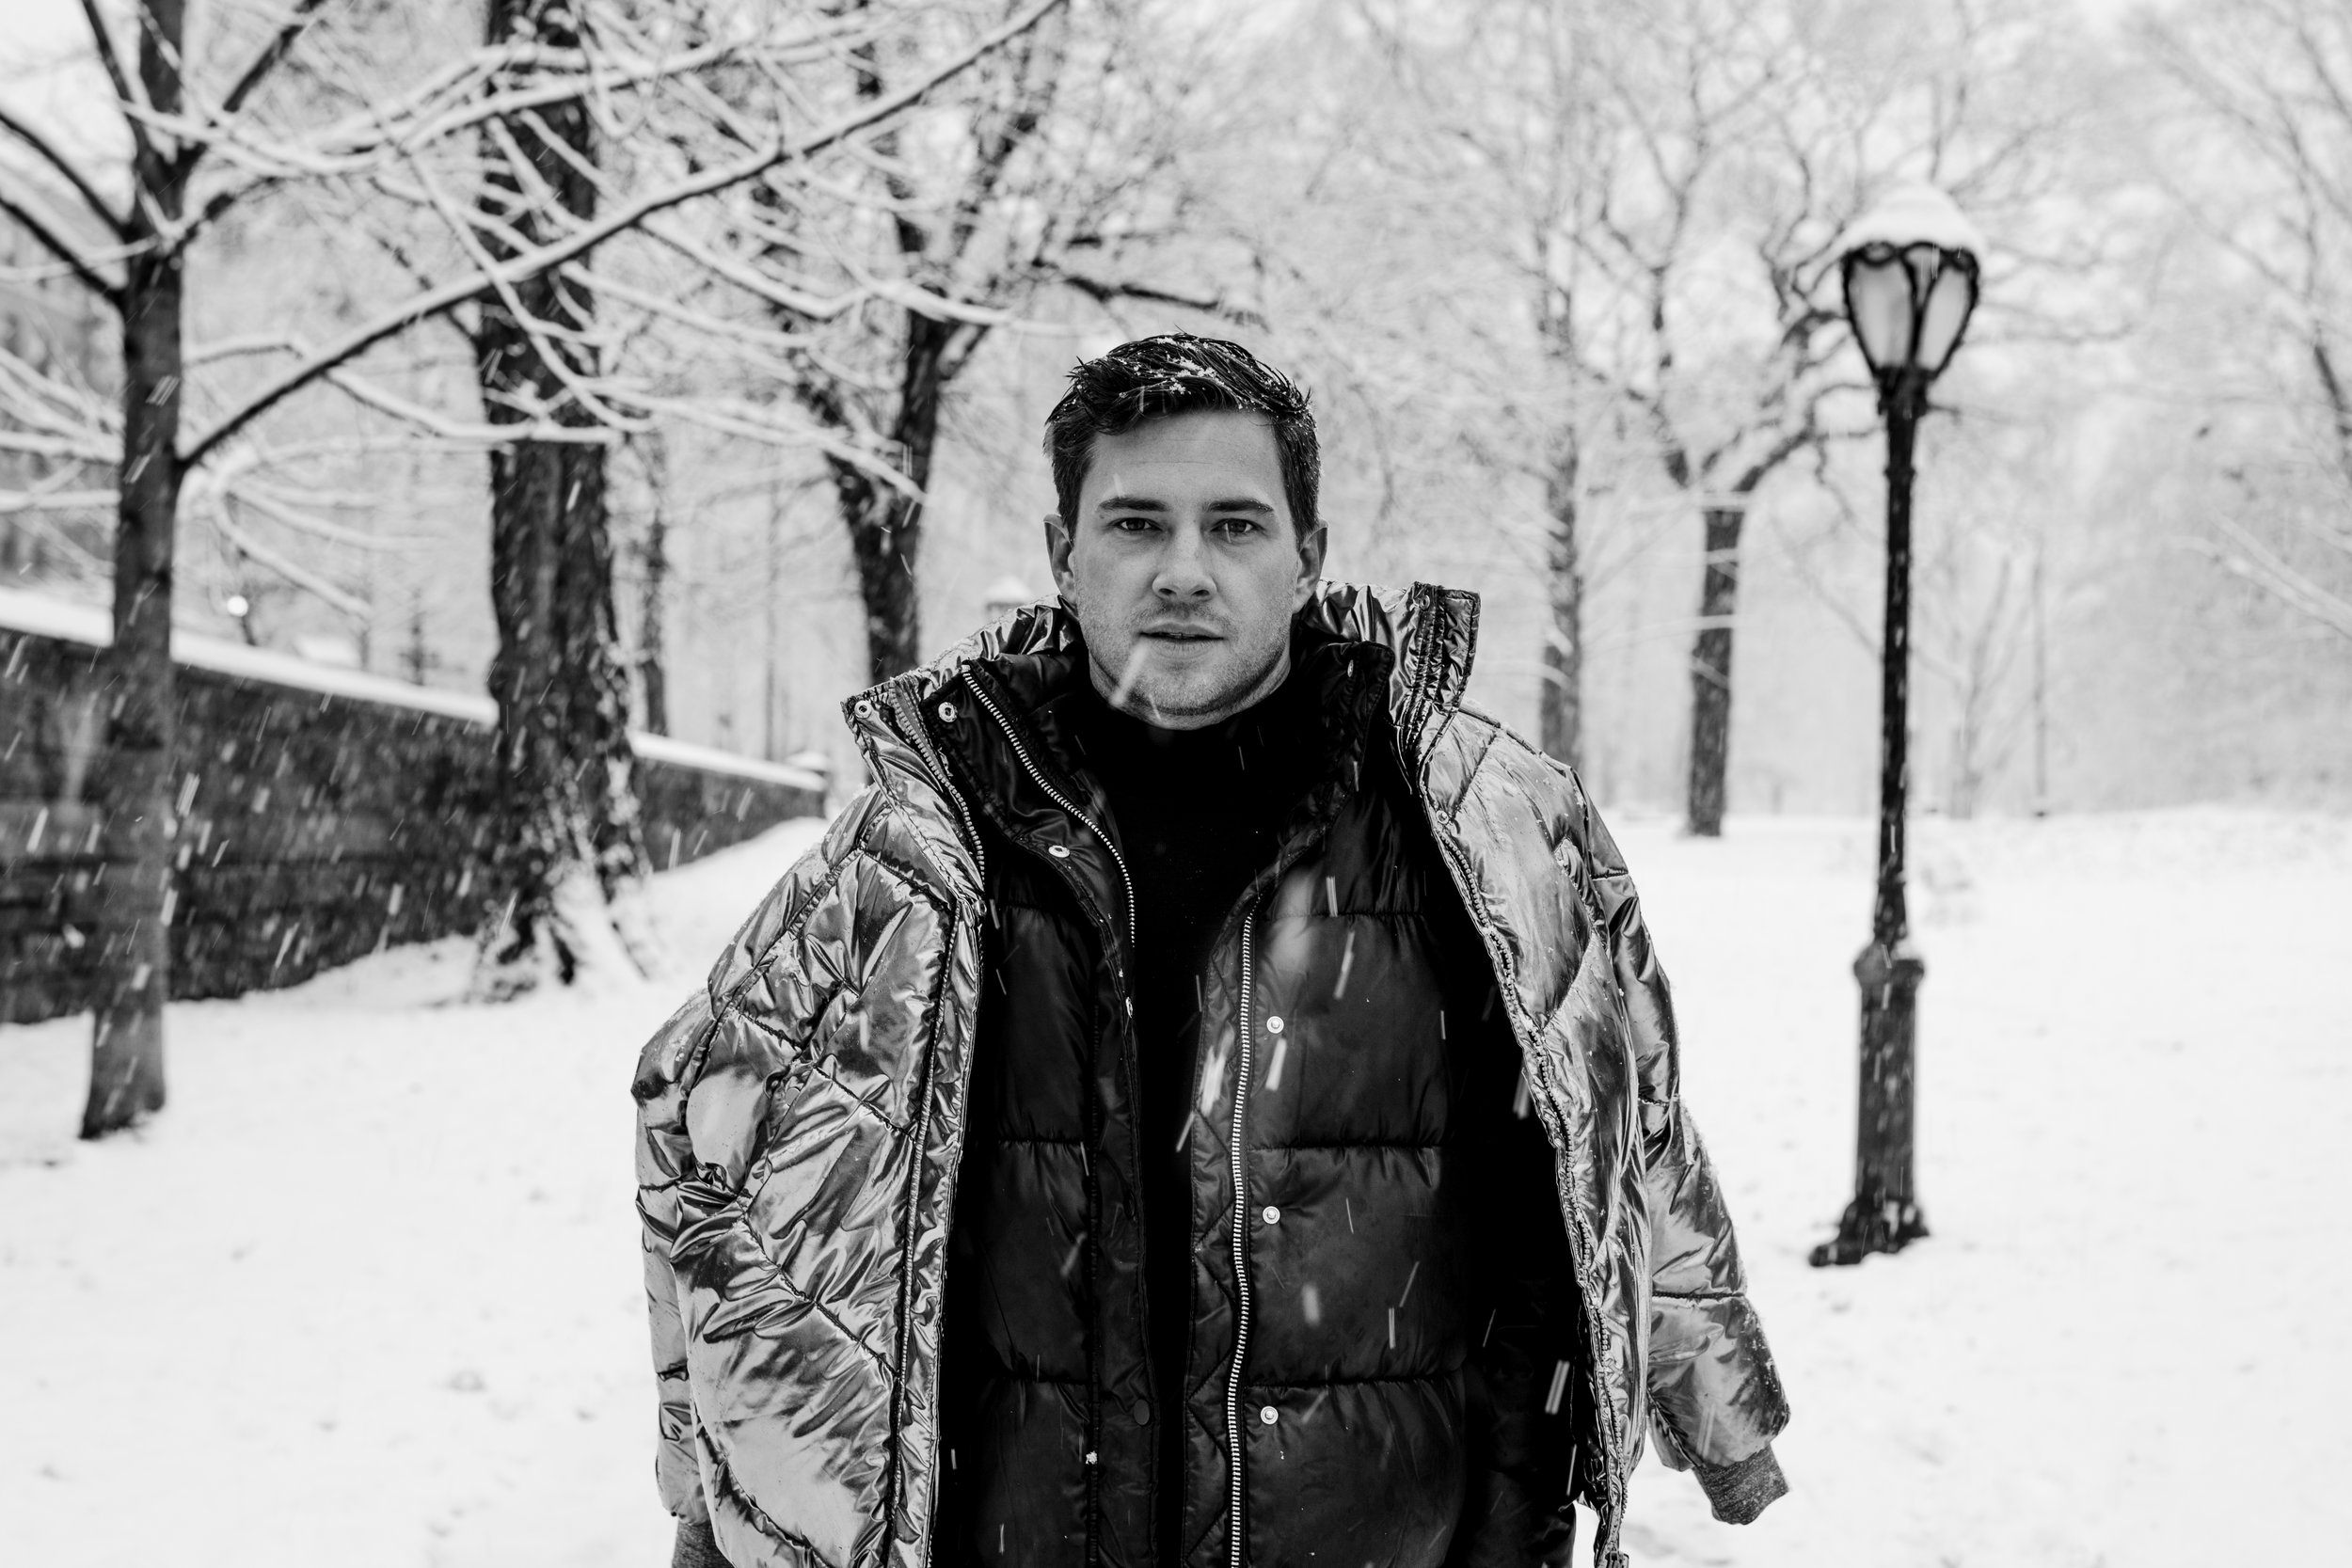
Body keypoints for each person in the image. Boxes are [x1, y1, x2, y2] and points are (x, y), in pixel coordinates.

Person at [633, 335, 1788, 1568]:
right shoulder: (923, 845)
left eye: (1236, 527)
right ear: (1062, 556)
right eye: (1137, 523)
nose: (1186, 570)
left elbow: (1623, 1112)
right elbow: (699, 1122)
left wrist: (1719, 1408)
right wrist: (712, 1490)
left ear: (1310, 559)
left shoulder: (1487, 824)